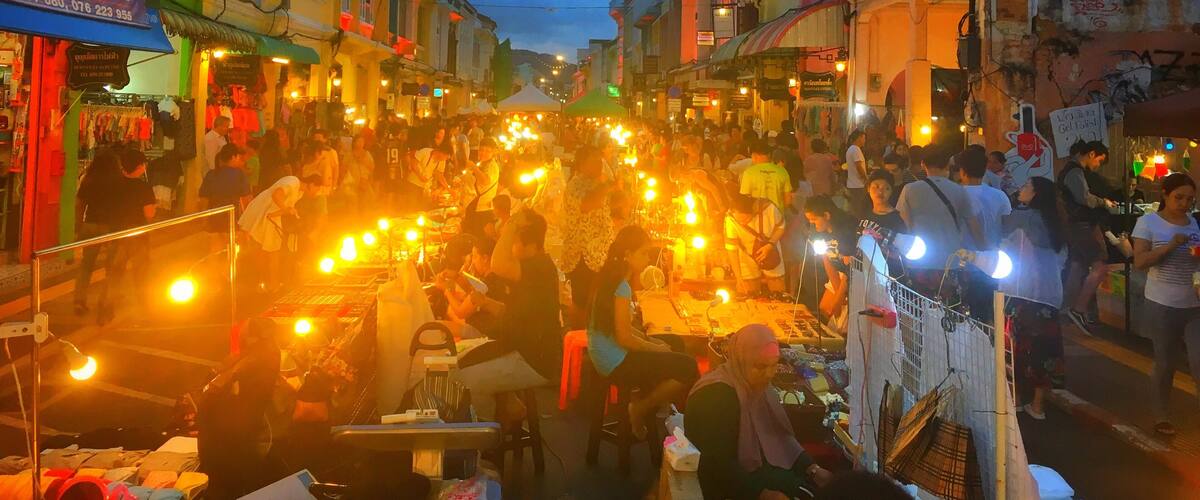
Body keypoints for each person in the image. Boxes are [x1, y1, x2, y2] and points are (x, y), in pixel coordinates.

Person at [685, 325, 833, 500]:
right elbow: (717, 463)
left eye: (774, 365)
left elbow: (777, 435)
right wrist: (761, 493)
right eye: (760, 366)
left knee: (815, 487)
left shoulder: (753, 386)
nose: (769, 374)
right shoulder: (718, 396)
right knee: (802, 491)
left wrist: (811, 469)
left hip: (748, 466)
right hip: (719, 482)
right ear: (741, 359)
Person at [588, 226, 699, 439]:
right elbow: (625, 338)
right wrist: (656, 348)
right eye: (644, 253)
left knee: (674, 342)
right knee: (688, 367)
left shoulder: (609, 279)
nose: (648, 258)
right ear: (628, 255)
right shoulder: (621, 287)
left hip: (606, 354)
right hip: (616, 362)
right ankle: (641, 407)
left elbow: (622, 328)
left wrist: (651, 341)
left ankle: (654, 404)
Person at [458, 210, 560, 427]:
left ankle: (482, 442)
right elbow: (515, 311)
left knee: (467, 381)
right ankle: (506, 406)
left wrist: (512, 224)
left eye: (513, 242)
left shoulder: (539, 267)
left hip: (533, 357)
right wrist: (486, 303)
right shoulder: (532, 268)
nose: (510, 248)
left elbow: (497, 264)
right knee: (459, 361)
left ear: (525, 243)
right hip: (520, 346)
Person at [1130, 173, 1200, 436]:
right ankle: (1161, 415)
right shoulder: (1147, 223)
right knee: (1165, 361)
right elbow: (1140, 262)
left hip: (1193, 303)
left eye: (1190, 200)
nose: (1184, 204)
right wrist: (1171, 246)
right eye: (1179, 197)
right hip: (1162, 302)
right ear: (1164, 195)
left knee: (1198, 361)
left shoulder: (1193, 223)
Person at [1001, 177, 1067, 420]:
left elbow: (1001, 235)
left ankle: (1016, 400)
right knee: (1044, 351)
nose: (1021, 188)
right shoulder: (1056, 221)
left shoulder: (1023, 217)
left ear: (1036, 194)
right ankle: (1038, 406)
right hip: (1049, 294)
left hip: (1022, 292)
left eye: (1026, 186)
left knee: (1016, 348)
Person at [198, 318, 281, 498]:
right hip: (243, 424)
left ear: (254, 336)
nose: (241, 332)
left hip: (235, 429)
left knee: (227, 479)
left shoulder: (258, 357)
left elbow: (217, 387)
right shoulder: (262, 351)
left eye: (245, 330)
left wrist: (215, 385)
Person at [895, 147, 984, 293]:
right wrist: (986, 253)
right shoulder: (959, 190)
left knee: (920, 308)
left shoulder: (910, 189)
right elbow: (974, 227)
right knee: (949, 309)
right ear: (948, 164)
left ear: (923, 164)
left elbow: (905, 224)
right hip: (950, 260)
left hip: (919, 261)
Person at [1059, 140, 1117, 335]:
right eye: (1099, 160)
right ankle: (1079, 309)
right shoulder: (1075, 172)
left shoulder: (1074, 171)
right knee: (1099, 267)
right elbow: (1085, 198)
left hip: (1076, 225)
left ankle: (1067, 308)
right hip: (1081, 225)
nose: (1098, 165)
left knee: (1078, 265)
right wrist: (1104, 202)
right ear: (1091, 154)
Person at [95, 147, 157, 323]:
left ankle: (105, 311)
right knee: (141, 274)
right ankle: (145, 309)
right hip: (138, 235)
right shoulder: (143, 188)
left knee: (114, 274)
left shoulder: (112, 184)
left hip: (115, 233)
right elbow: (149, 213)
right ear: (139, 166)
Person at [562, 145, 615, 328]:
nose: (600, 164)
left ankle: (592, 339)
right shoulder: (576, 184)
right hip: (584, 255)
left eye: (600, 160)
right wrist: (608, 186)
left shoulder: (595, 183)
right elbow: (587, 204)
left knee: (596, 301)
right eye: (595, 160)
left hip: (599, 254)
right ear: (582, 163)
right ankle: (579, 342)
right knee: (582, 302)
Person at [238, 175, 323, 289]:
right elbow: (276, 195)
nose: (317, 193)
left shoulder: (299, 193)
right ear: (312, 184)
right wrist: (286, 209)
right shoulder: (292, 182)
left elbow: (281, 209)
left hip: (270, 217)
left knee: (271, 251)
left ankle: (271, 283)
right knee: (267, 251)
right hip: (261, 210)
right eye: (317, 189)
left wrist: (288, 212)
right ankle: (268, 283)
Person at [74, 149, 124, 314]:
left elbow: (79, 204)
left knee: (86, 266)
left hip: (91, 224)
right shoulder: (119, 182)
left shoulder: (89, 180)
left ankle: (79, 301)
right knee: (111, 266)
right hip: (112, 227)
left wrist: (79, 225)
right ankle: (105, 301)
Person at [804, 196, 859, 323]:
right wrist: (836, 289)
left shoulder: (846, 232)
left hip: (855, 276)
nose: (812, 223)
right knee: (825, 311)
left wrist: (839, 298)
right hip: (839, 275)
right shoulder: (818, 232)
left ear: (827, 216)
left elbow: (850, 270)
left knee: (843, 321)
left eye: (814, 219)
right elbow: (827, 260)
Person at [725, 193, 786, 296]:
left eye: (745, 219)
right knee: (748, 294)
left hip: (770, 253)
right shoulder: (730, 218)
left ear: (753, 211)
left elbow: (781, 227)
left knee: (778, 291)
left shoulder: (769, 208)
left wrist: (770, 245)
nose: (743, 223)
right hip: (746, 256)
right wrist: (739, 277)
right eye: (739, 221)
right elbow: (732, 249)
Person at [200, 144, 252, 239]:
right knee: (233, 248)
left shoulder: (210, 174)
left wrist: (204, 220)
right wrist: (248, 223)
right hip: (232, 219)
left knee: (216, 248)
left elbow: (204, 200)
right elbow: (246, 200)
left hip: (214, 219)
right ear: (233, 157)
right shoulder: (240, 175)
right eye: (238, 157)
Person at [739, 141, 792, 211]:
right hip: (778, 217)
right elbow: (788, 199)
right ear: (769, 154)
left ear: (754, 155)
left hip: (757, 216)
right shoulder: (782, 171)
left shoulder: (749, 173)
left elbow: (744, 199)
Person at [339, 135, 376, 218]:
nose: (360, 144)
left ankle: (363, 222)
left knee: (365, 205)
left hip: (364, 184)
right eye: (358, 141)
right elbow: (343, 168)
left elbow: (371, 168)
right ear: (354, 142)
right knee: (352, 205)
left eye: (362, 142)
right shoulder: (349, 155)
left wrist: (370, 181)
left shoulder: (367, 154)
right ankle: (353, 223)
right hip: (352, 184)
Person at [864, 170, 906, 235]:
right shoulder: (864, 212)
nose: (880, 192)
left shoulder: (896, 220)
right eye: (876, 187)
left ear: (891, 191)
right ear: (868, 188)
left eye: (886, 188)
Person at [844, 130, 868, 217]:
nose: (865, 140)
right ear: (859, 138)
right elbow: (859, 166)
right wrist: (866, 179)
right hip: (858, 185)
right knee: (859, 210)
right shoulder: (855, 149)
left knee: (855, 208)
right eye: (864, 138)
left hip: (853, 184)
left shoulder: (851, 149)